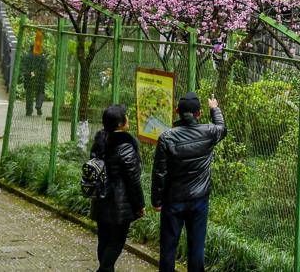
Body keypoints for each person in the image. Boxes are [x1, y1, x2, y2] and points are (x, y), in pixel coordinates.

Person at [151, 93, 226, 272]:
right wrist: (215, 108)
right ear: (199, 113)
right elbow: (222, 128)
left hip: (173, 200)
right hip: (199, 200)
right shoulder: (208, 132)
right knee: (196, 247)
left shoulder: (166, 137)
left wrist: (156, 201)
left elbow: (159, 172)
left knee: (168, 247)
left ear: (177, 111)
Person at [91, 105, 144, 272]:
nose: (128, 119)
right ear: (121, 123)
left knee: (104, 238)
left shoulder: (100, 141)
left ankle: (106, 268)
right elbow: (133, 179)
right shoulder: (126, 145)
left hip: (100, 198)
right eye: (126, 117)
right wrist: (139, 204)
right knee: (117, 241)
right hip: (119, 204)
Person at [21, 32, 48, 117]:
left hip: (29, 78)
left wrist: (29, 73)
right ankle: (38, 105)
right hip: (39, 78)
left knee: (29, 94)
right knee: (40, 92)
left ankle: (29, 111)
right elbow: (44, 68)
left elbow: (23, 68)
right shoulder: (42, 57)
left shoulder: (27, 56)